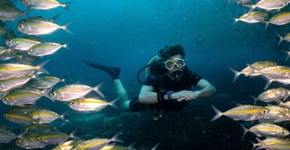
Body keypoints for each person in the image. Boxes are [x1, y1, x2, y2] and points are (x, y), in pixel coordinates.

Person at [84, 44, 216, 120]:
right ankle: (114, 74)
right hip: (155, 104)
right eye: (171, 64)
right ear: (164, 64)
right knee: (124, 106)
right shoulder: (157, 75)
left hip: (170, 107)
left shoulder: (188, 74)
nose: (175, 68)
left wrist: (197, 93)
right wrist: (172, 95)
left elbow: (211, 88)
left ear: (184, 63)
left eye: (179, 63)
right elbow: (143, 97)